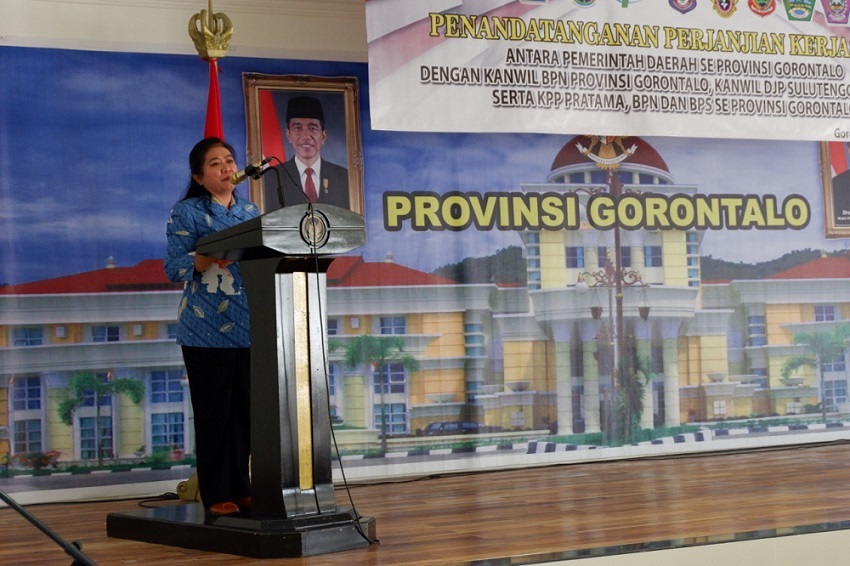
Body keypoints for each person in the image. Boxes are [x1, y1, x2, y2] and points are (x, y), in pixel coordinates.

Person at [164, 137, 259, 517]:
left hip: (248, 324)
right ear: (199, 177)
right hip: (204, 328)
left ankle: (241, 485)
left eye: (229, 160)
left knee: (244, 414)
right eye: (215, 163)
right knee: (214, 414)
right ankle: (216, 490)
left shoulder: (250, 211)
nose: (225, 168)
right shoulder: (187, 211)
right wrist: (205, 257)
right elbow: (174, 268)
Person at [264, 95, 350, 210]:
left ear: (323, 136)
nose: (305, 136)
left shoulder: (343, 177)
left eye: (313, 128)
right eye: (297, 128)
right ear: (288, 135)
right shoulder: (272, 177)